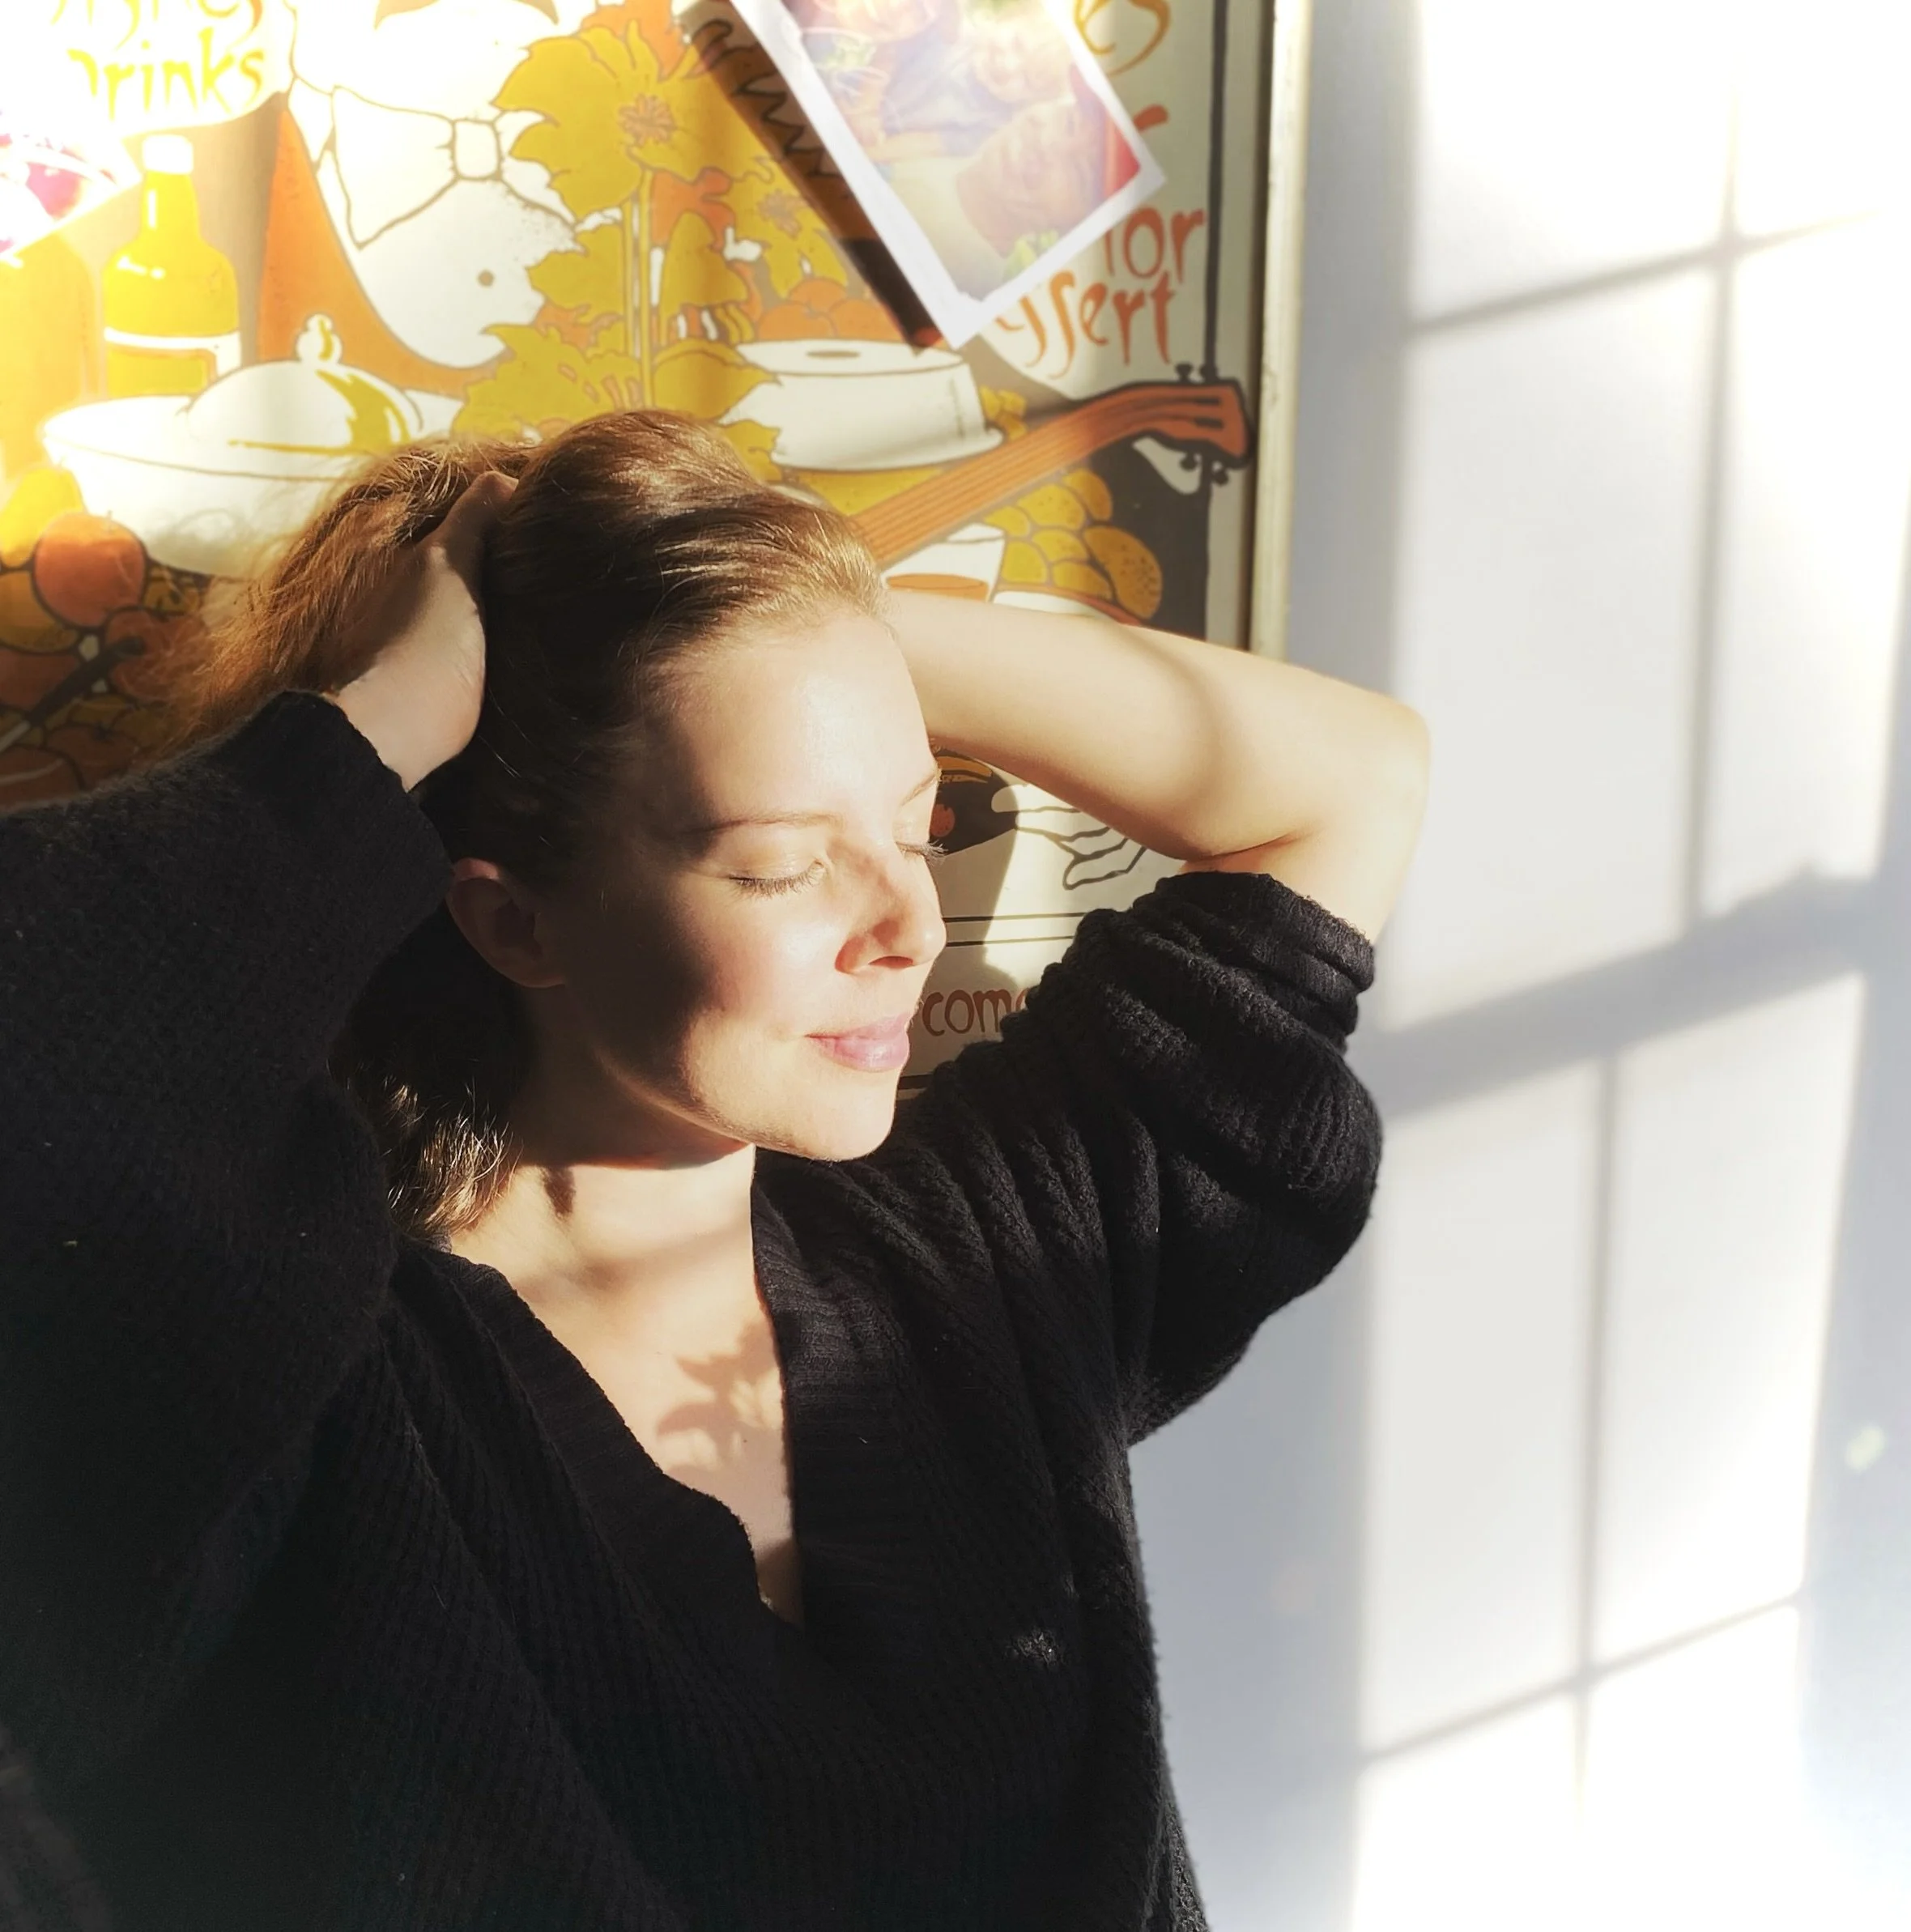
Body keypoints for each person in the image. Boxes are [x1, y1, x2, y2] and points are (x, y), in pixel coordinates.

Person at [0, 409, 1428, 1929]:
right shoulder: (290, 1390)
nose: (909, 923)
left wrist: (805, 630)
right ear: (514, 920)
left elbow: (1348, 778)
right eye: (781, 861)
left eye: (918, 821)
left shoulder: (993, 1253)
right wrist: (405, 710)